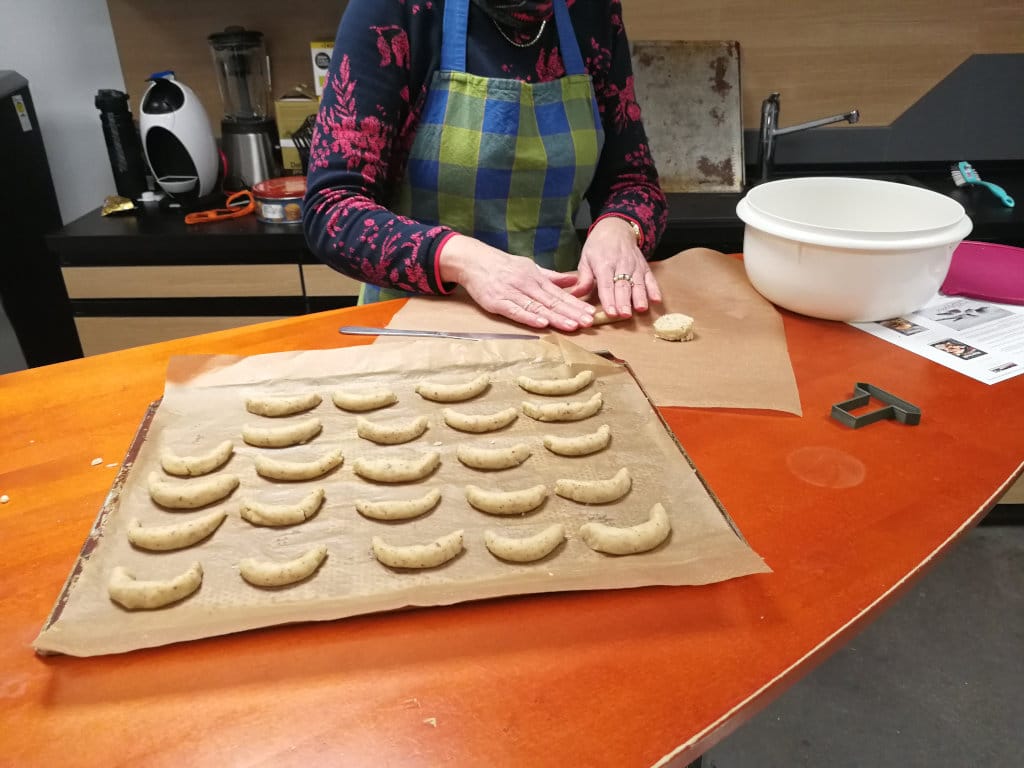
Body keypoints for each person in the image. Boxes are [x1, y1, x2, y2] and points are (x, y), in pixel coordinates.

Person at [302, 0, 667, 332]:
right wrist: (467, 262)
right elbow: (333, 210)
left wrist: (620, 227)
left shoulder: (591, 11)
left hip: (562, 321)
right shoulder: (394, 10)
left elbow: (633, 181)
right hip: (416, 329)